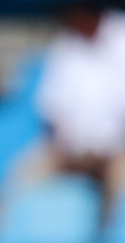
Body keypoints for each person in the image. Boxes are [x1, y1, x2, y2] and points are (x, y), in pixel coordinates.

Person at [22, 3, 125, 206]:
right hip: (69, 151)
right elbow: (50, 108)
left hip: (118, 150)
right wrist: (63, 148)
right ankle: (6, 237)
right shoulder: (64, 45)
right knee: (25, 175)